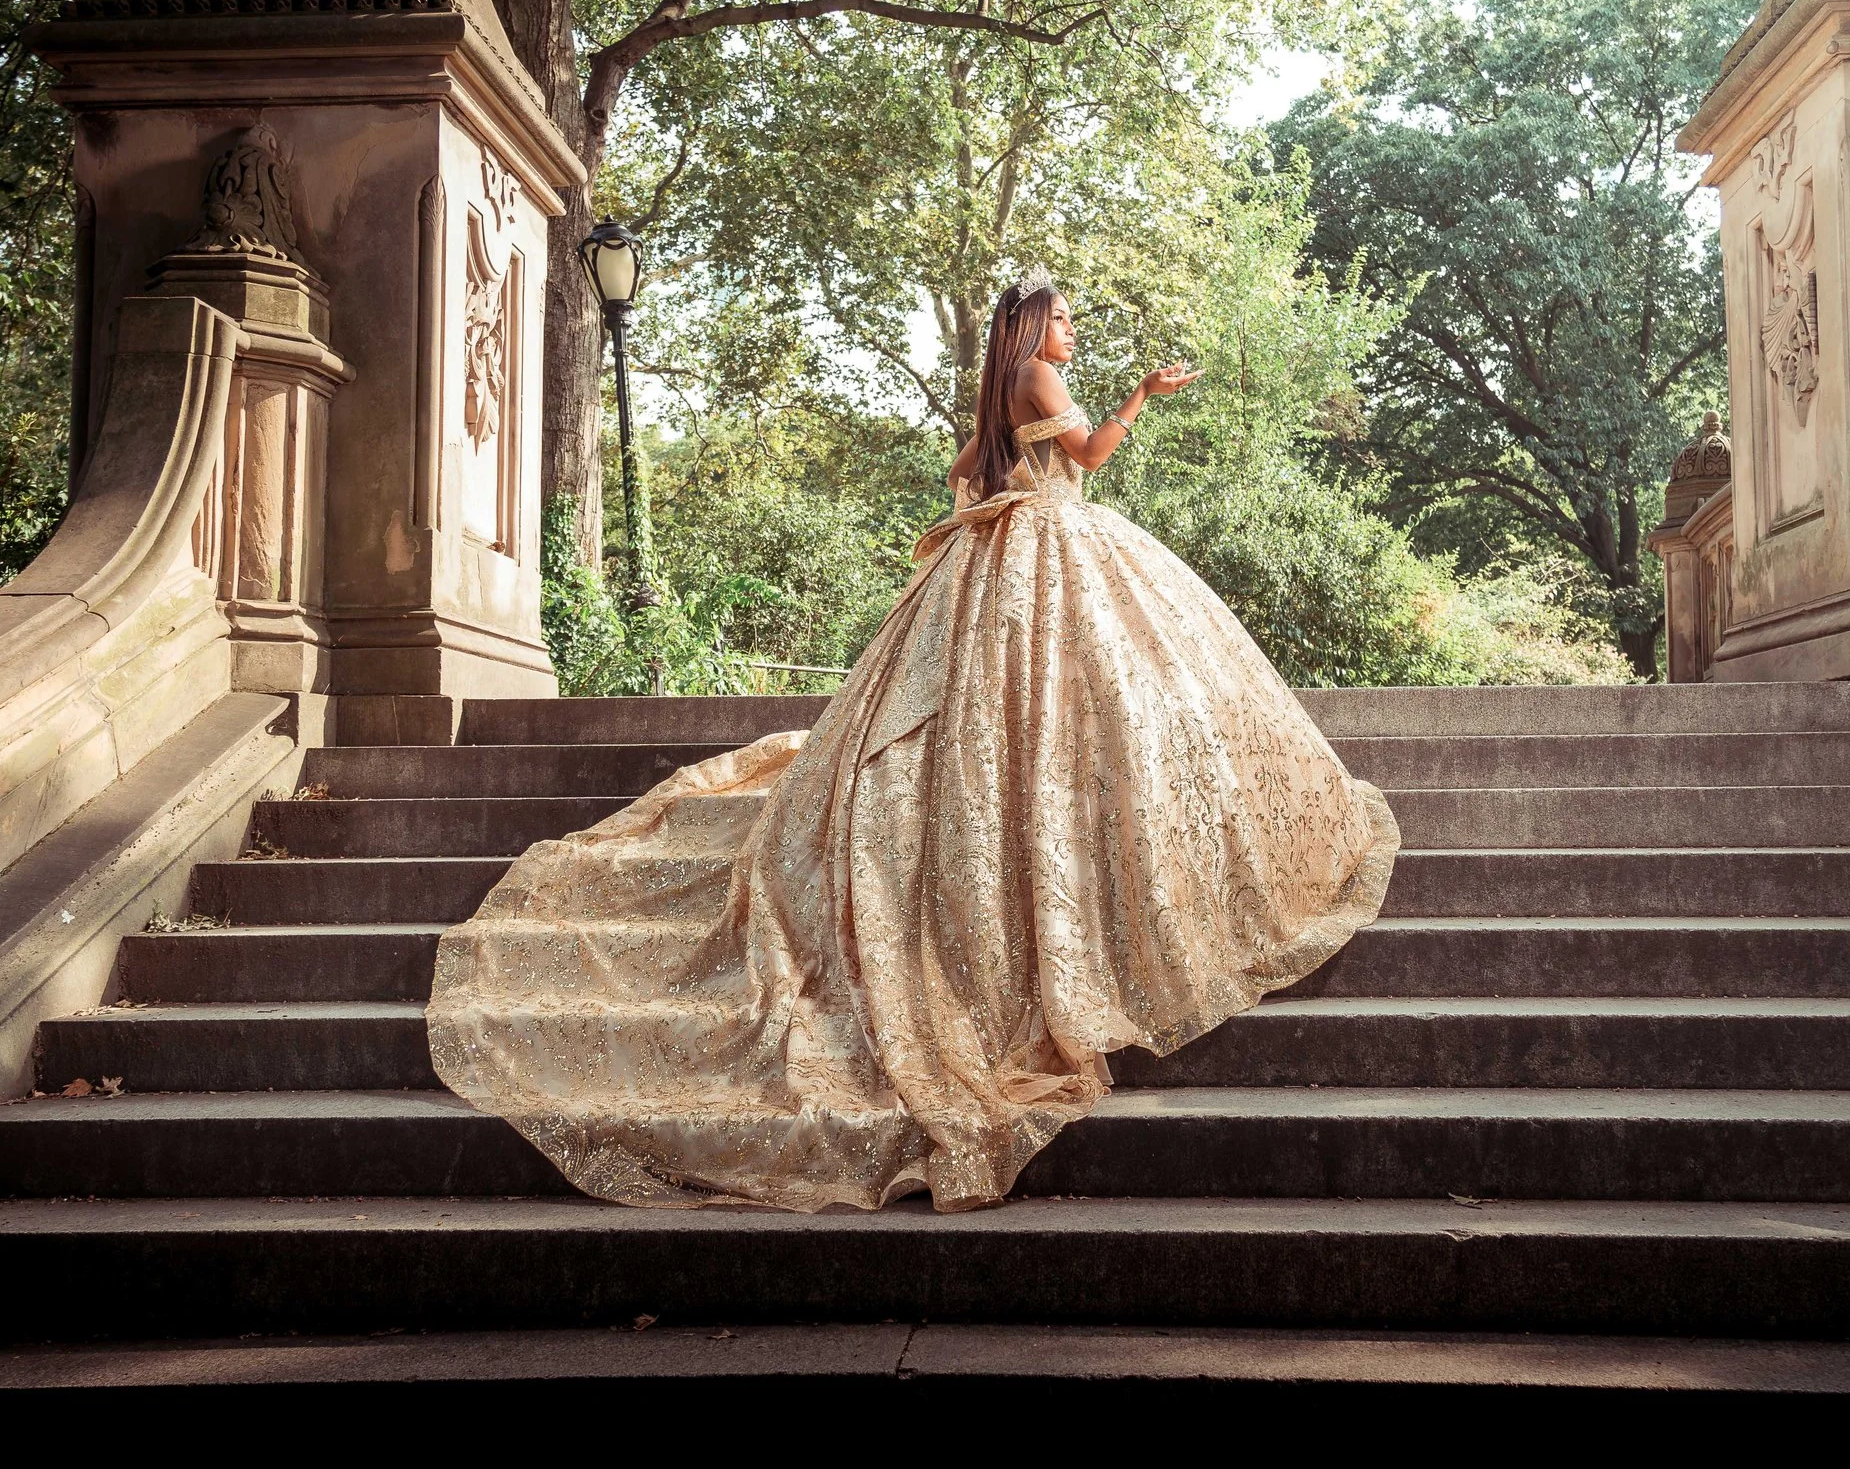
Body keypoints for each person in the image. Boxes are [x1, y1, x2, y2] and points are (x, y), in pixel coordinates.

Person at [428, 266, 1399, 1212]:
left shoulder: (1000, 392)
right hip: (1044, 545)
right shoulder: (1035, 374)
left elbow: (979, 477)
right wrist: (1141, 395)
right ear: (1031, 329)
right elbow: (1093, 457)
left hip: (1010, 549)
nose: (1072, 334)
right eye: (1063, 319)